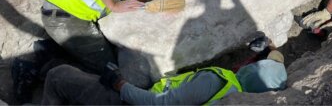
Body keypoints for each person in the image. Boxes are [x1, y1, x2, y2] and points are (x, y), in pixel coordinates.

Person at [41, 47, 287, 105]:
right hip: (153, 92)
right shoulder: (236, 94)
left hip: (137, 100)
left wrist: (121, 85)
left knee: (58, 75)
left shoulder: (216, 80)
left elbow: (160, 104)